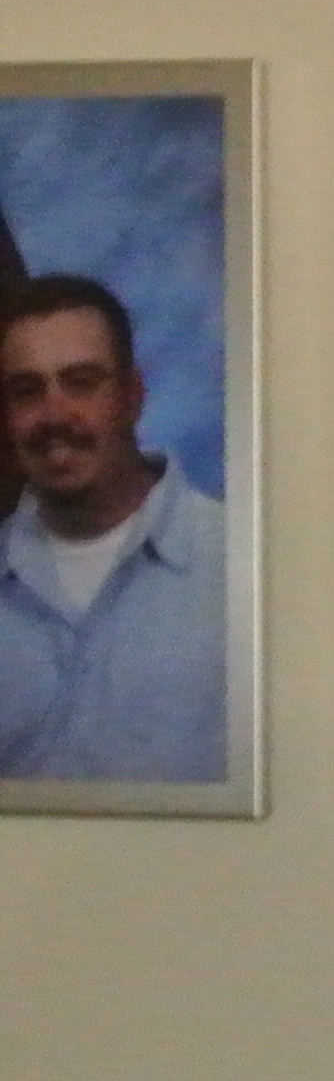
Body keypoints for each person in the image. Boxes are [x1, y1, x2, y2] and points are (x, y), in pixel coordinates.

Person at [0, 273, 230, 783]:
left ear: (132, 396)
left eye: (81, 382)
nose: (54, 415)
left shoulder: (239, 566)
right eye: (26, 391)